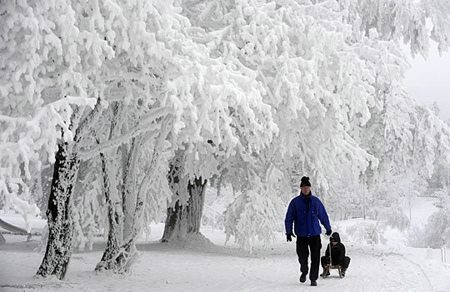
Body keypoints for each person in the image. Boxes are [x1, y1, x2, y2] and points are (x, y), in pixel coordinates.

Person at [285, 176, 332, 287]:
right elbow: (289, 217)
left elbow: (323, 215)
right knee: (302, 257)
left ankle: (313, 278)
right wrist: (288, 231)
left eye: (307, 187)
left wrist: (328, 227)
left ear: (310, 188)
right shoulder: (295, 202)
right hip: (301, 235)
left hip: (315, 235)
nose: (306, 189)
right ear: (301, 189)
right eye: (304, 187)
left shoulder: (316, 201)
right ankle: (304, 271)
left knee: (315, 258)